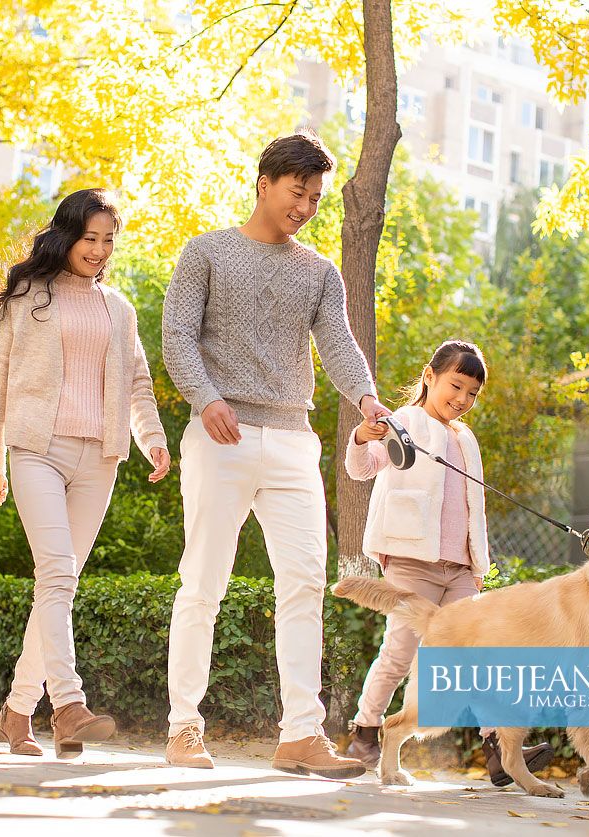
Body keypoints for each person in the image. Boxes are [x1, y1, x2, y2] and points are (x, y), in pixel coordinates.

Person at [161, 131, 388, 779]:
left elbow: (338, 344)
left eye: (315, 197)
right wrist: (205, 398)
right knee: (203, 583)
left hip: (292, 440)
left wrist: (367, 400)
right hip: (222, 434)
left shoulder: (317, 271)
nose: (306, 207)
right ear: (264, 183)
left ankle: (300, 735)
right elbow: (176, 336)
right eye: (298, 192)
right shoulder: (205, 253)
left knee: (302, 585)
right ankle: (183, 726)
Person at [0, 188, 170, 759]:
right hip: (36, 449)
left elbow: (137, 382)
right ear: (67, 235)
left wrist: (153, 439)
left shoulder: (120, 309)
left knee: (57, 586)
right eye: (91, 237)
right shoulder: (28, 297)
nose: (101, 249)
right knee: (57, 573)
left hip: (99, 459)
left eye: (109, 240)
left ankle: (15, 713)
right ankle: (67, 704)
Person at [341, 339, 553, 784]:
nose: (462, 400)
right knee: (399, 652)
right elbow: (362, 467)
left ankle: (498, 749)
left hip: (459, 569)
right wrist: (362, 436)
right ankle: (366, 730)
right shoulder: (404, 422)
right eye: (455, 386)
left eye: (472, 394)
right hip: (412, 560)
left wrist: (478, 564)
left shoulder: (465, 438)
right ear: (429, 376)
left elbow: (473, 505)